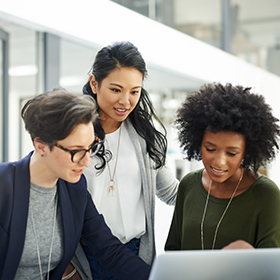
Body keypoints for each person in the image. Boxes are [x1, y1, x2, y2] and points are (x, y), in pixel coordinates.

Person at [0, 88, 151, 280]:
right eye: (76, 151)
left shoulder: (74, 189)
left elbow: (108, 250)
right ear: (41, 146)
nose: (86, 162)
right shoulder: (4, 187)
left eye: (90, 148)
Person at [76, 41, 178, 279]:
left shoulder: (144, 137)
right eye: (116, 90)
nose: (126, 101)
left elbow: (172, 192)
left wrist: (225, 186)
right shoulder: (73, 134)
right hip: (84, 258)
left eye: (134, 91)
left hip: (134, 255)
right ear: (94, 83)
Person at [165, 82, 280, 251]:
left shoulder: (265, 194)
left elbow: (270, 267)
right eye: (210, 149)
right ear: (198, 142)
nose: (219, 162)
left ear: (246, 152)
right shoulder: (188, 184)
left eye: (232, 153)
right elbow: (172, 250)